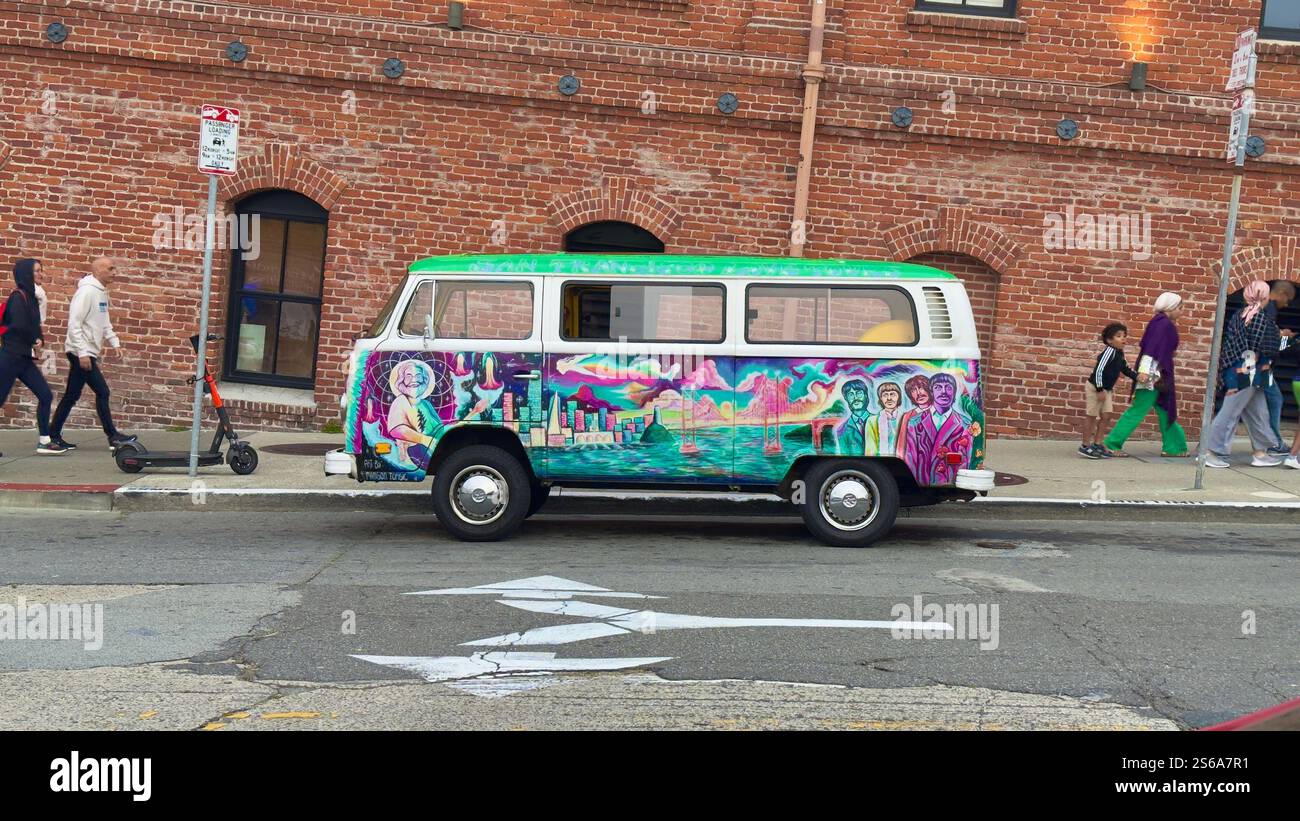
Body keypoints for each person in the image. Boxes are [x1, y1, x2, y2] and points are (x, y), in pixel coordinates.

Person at [49, 256, 137, 451]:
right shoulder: (87, 292)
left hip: (87, 352)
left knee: (72, 395)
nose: (115, 273)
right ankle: (113, 436)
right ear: (98, 271)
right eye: (110, 269)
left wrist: (115, 342)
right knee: (102, 391)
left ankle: (52, 435)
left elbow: (104, 322)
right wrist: (82, 353)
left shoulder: (102, 293)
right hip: (81, 352)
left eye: (115, 268)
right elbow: (74, 323)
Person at [1204, 280, 1284, 468]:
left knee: (1258, 412)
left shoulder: (1240, 314)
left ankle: (1260, 452)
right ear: (1263, 296)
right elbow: (1260, 347)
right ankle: (1208, 451)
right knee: (1229, 412)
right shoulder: (1260, 317)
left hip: (1239, 370)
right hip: (1248, 372)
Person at [1102, 292, 1189, 457]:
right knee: (1140, 410)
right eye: (1180, 307)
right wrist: (1143, 372)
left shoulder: (1157, 323)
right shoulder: (1164, 325)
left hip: (1155, 375)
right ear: (1170, 308)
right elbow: (1151, 350)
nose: (1182, 311)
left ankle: (1175, 447)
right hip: (1153, 377)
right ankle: (1111, 444)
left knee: (1165, 410)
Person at [0, 259, 65, 454]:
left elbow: (34, 326)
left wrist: (39, 339)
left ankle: (45, 441)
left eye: (41, 270)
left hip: (23, 359)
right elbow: (20, 325)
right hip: (10, 357)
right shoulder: (18, 297)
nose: (41, 274)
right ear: (26, 274)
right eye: (37, 271)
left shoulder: (32, 297)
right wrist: (33, 340)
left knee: (45, 395)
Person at [1080, 322, 1137, 459]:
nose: (1123, 339)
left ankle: (1097, 444)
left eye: (1124, 336)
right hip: (1096, 388)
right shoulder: (1109, 352)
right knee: (1092, 416)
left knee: (1106, 415)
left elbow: (1125, 369)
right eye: (1119, 336)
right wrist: (1099, 389)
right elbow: (1099, 370)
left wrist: (1137, 377)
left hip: (1107, 390)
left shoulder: (1119, 353)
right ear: (1109, 340)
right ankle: (1085, 446)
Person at [1261, 281, 1296, 456]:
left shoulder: (1266, 309)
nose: (1287, 304)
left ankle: (1268, 444)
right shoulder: (1270, 309)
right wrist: (1281, 336)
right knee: (1275, 400)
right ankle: (1274, 443)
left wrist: (1281, 335)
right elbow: (1266, 338)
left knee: (1244, 406)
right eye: (1288, 299)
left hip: (1255, 366)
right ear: (1281, 293)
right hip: (1260, 366)